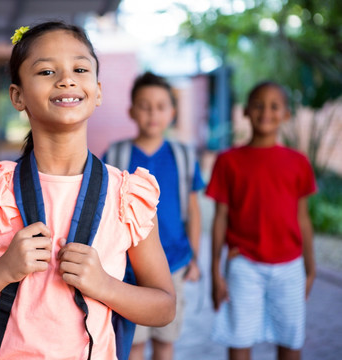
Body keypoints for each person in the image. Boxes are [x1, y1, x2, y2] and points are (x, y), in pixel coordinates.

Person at [0, 21, 176, 360]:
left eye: (80, 68)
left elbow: (164, 307)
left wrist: (105, 285)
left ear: (97, 90)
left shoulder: (126, 196)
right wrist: (2, 272)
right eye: (47, 71)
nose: (66, 79)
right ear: (17, 96)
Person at [206, 81, 316, 360]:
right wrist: (216, 272)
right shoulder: (228, 161)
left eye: (274, 106)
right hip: (243, 265)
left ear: (286, 114)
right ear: (245, 111)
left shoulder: (298, 162)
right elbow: (220, 219)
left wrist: (311, 268)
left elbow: (303, 218)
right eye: (258, 104)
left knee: (290, 339)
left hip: (290, 266)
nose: (265, 111)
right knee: (239, 337)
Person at [103, 72, 205, 360]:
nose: (153, 113)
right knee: (133, 343)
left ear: (172, 112)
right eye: (144, 105)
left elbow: (193, 211)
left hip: (174, 263)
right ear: (132, 111)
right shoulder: (115, 155)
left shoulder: (183, 155)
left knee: (165, 341)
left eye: (161, 106)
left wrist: (195, 259)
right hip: (128, 268)